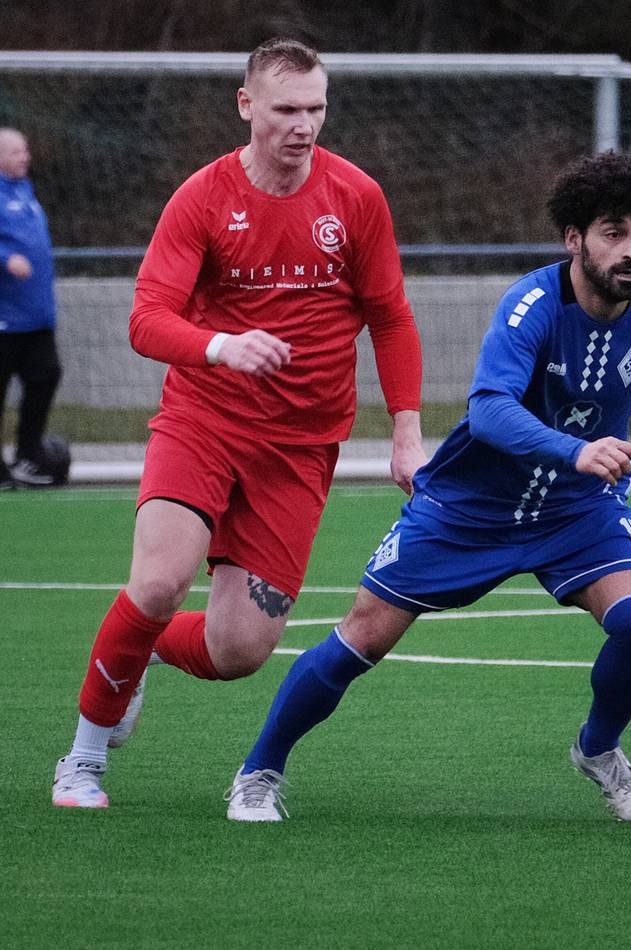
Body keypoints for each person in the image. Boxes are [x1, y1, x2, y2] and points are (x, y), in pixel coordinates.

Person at [223, 151, 631, 824]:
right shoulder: (532, 305)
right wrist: (577, 449)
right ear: (573, 238)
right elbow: (488, 410)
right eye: (613, 232)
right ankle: (259, 771)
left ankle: (599, 750)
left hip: (576, 509)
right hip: (469, 506)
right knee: (360, 640)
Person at [51, 37, 426, 809]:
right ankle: (83, 758)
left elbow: (390, 317)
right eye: (287, 108)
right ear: (247, 105)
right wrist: (222, 345)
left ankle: (141, 652)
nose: (304, 124)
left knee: (239, 651)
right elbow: (147, 319)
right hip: (204, 422)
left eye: (316, 108)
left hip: (300, 448)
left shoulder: (356, 197)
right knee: (157, 583)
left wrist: (407, 429)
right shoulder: (202, 196)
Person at [0, 127, 62, 489]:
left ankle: (28, 456)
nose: (25, 157)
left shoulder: (24, 189)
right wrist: (6, 259)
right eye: (16, 152)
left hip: (36, 318)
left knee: (47, 375)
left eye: (25, 151)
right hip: (5, 321)